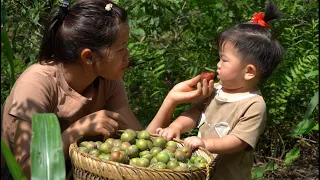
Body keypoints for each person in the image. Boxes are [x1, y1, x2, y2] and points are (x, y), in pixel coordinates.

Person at [0, 0, 213, 179]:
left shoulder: (106, 79)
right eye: (121, 49)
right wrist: (77, 130)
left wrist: (171, 100)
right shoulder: (37, 84)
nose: (128, 56)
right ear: (89, 57)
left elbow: (141, 142)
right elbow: (25, 170)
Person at [156, 1, 284, 179]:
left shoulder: (254, 105)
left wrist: (205, 143)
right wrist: (176, 126)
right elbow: (195, 112)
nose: (217, 65)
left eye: (224, 60)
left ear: (249, 72)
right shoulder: (217, 89)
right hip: (203, 170)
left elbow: (238, 141)